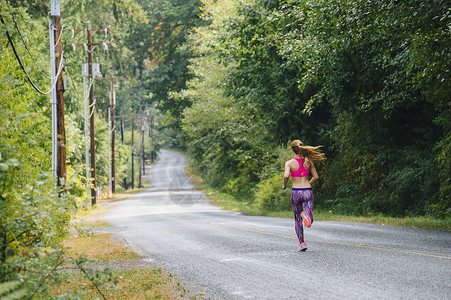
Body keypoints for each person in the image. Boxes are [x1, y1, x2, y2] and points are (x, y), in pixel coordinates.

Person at [282, 140, 326, 252]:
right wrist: (308, 184)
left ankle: (302, 243)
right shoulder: (309, 161)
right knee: (308, 216)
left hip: (296, 192)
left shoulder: (289, 163)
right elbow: (316, 177)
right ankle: (307, 216)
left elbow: (286, 175)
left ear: (292, 150)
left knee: (297, 219)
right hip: (307, 191)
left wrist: (284, 185)